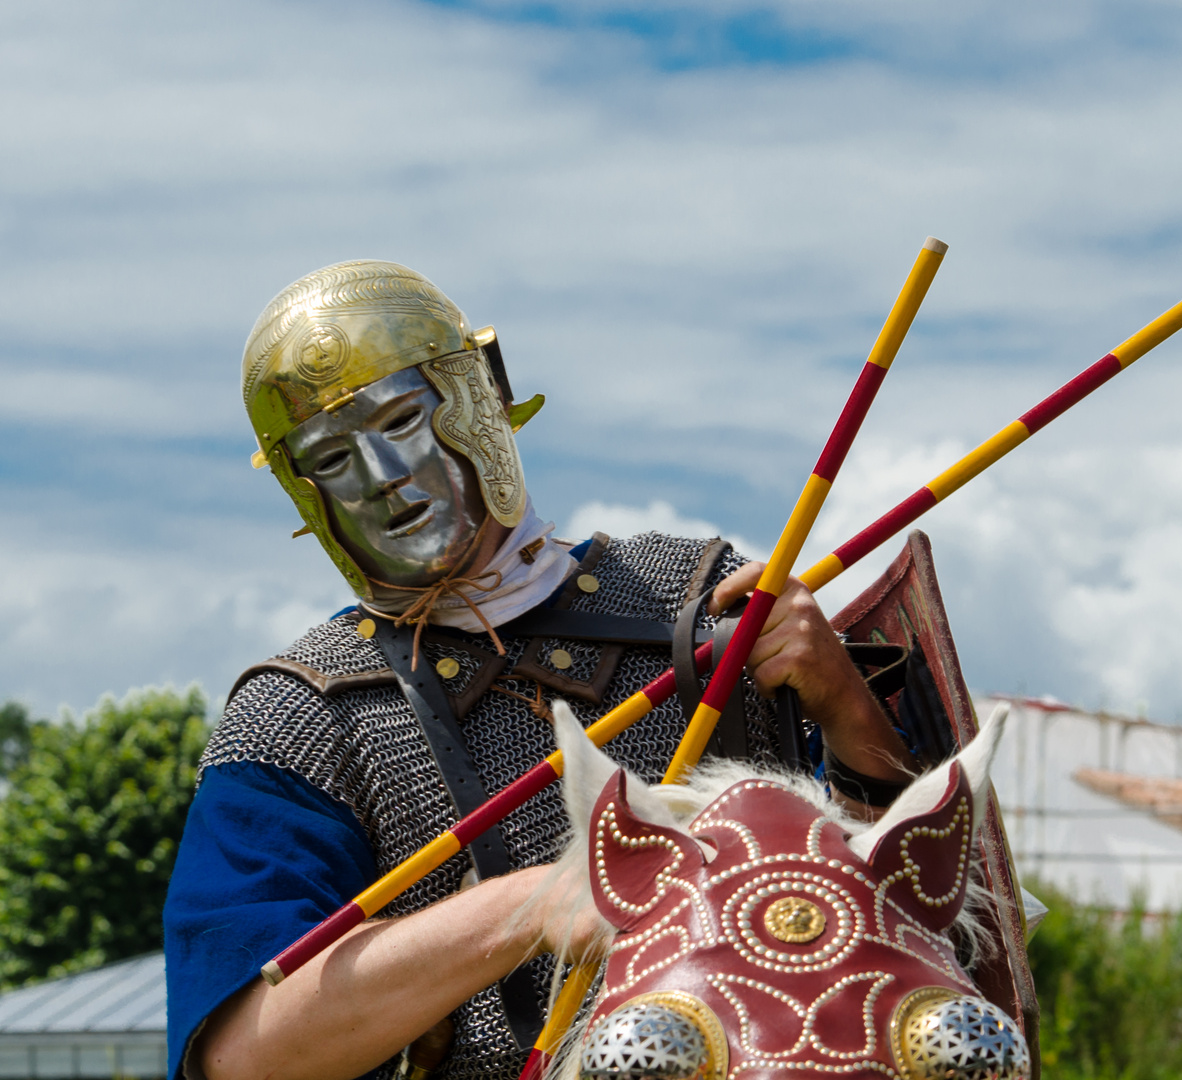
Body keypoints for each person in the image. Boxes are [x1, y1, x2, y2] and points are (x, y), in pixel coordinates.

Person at [163, 261, 913, 1080]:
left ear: (480, 393)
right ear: (303, 493)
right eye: (334, 458)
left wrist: (842, 700)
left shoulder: (705, 609)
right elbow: (242, 1056)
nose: (381, 478)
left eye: (402, 420)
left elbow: (925, 904)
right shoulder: (301, 712)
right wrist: (536, 904)